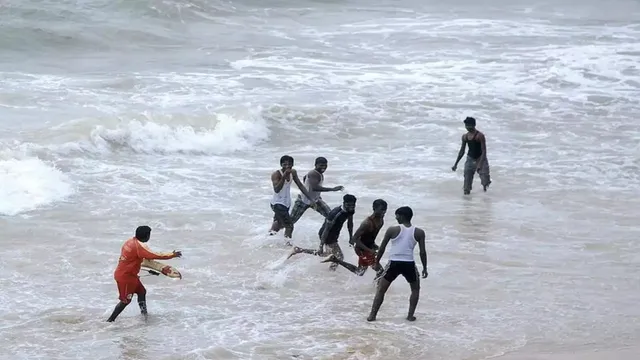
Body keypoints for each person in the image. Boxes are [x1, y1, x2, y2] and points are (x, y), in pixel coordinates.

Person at [106, 226, 182, 322]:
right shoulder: (139, 247)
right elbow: (156, 255)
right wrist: (172, 254)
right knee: (125, 301)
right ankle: (110, 321)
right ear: (147, 236)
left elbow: (137, 258)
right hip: (126, 278)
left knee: (142, 292)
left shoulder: (129, 242)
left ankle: (144, 316)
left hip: (129, 275)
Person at [367, 206, 428, 322]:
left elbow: (382, 248)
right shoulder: (419, 232)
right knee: (415, 289)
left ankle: (372, 316)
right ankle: (410, 316)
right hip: (409, 264)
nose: (396, 218)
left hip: (394, 263)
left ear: (402, 216)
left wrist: (376, 262)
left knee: (381, 289)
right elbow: (423, 252)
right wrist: (425, 267)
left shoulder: (392, 230)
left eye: (397, 215)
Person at [288, 194, 356, 271]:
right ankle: (331, 272)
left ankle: (299, 250)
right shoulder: (335, 214)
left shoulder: (351, 210)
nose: (351, 207)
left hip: (334, 234)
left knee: (326, 254)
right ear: (344, 203)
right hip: (327, 235)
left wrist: (351, 237)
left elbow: (350, 224)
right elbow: (326, 230)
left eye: (353, 205)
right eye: (348, 205)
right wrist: (321, 246)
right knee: (339, 257)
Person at [322, 199, 387, 277]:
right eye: (381, 210)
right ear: (374, 208)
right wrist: (369, 250)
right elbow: (355, 238)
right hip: (362, 249)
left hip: (368, 247)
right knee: (380, 271)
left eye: (385, 210)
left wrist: (373, 245)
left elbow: (370, 236)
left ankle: (335, 259)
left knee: (360, 272)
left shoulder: (381, 219)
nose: (383, 212)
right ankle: (377, 288)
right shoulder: (367, 223)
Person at [268, 155, 315, 245]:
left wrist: (310, 198)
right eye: (285, 164)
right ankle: (287, 245)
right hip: (277, 203)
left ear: (292, 164)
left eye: (289, 164)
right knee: (289, 226)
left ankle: (268, 238)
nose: (287, 166)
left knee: (278, 223)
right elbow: (277, 189)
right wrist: (284, 176)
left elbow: (300, 185)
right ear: (281, 164)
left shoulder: (293, 172)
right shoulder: (276, 174)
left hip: (286, 203)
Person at [289, 157, 344, 224]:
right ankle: (274, 230)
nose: (323, 167)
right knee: (290, 222)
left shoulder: (318, 173)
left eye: (325, 165)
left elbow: (305, 179)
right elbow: (315, 188)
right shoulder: (313, 173)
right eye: (321, 165)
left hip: (315, 200)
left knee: (331, 216)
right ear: (315, 165)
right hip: (303, 201)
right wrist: (333, 189)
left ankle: (325, 232)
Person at [451, 116, 491, 195]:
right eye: (466, 125)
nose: (467, 127)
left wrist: (479, 164)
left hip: (480, 157)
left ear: (474, 125)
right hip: (470, 158)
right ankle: (467, 199)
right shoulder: (465, 137)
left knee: (484, 179)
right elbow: (462, 151)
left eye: (469, 125)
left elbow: (484, 151)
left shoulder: (480, 136)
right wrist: (456, 164)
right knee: (467, 179)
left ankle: (486, 195)